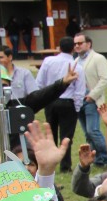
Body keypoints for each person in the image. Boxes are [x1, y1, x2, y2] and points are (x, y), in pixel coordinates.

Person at [0, 62, 78, 163]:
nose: (0, 89)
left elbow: (41, 97)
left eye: (4, 85)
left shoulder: (17, 107)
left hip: (14, 165)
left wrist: (63, 83)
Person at [36, 37, 88, 172]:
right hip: (67, 102)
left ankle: (50, 162)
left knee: (50, 134)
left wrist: (42, 100)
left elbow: (40, 82)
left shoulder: (48, 61)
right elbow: (79, 90)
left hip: (50, 100)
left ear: (59, 48)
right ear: (73, 49)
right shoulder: (77, 66)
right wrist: (76, 108)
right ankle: (65, 165)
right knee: (66, 136)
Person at [73, 33, 107, 167]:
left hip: (91, 99)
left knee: (93, 130)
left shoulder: (98, 58)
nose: (77, 46)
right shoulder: (75, 61)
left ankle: (106, 157)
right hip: (79, 100)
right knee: (87, 133)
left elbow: (105, 79)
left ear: (88, 44)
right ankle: (96, 158)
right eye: (75, 44)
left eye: (80, 43)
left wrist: (92, 95)